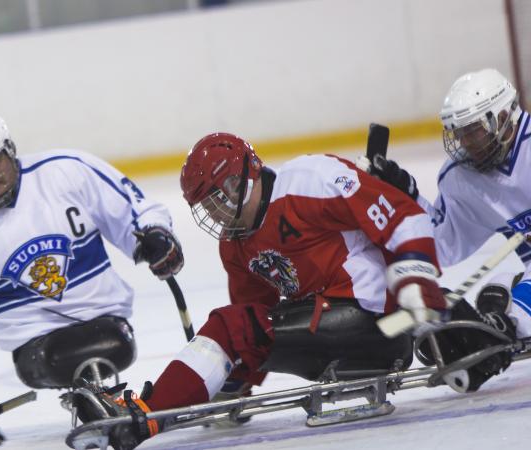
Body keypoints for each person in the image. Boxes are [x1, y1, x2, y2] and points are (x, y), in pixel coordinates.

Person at [72, 132, 518, 450]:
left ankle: (143, 414)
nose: (216, 212)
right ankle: (154, 411)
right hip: (331, 335)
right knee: (234, 325)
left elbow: (403, 215)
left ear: (243, 176)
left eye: (219, 196)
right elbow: (252, 321)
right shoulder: (234, 244)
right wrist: (231, 383)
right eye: (206, 205)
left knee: (227, 325)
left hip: (374, 320)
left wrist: (416, 279)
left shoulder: (310, 179)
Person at [0, 106, 184, 446]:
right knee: (61, 358)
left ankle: (103, 404)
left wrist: (156, 236)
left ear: (9, 150)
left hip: (107, 324)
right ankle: (100, 405)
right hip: (37, 348)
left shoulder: (65, 171)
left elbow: (133, 210)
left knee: (110, 344)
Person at [366, 68, 531, 359]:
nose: (465, 143)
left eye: (473, 130)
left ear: (504, 117)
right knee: (495, 301)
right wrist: (406, 195)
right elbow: (443, 245)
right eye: (460, 133)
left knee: (510, 316)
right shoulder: (462, 178)